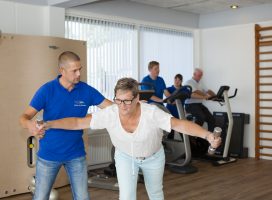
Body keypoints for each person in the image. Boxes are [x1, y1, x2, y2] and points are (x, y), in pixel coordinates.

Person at [42, 77, 221, 200]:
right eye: (118, 100)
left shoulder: (151, 113)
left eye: (127, 101)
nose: (122, 106)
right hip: (125, 157)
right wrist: (49, 124)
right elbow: (77, 123)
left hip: (153, 157)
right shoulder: (111, 113)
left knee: (155, 193)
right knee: (126, 196)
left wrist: (207, 135)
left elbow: (178, 124)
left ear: (137, 98)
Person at [19, 51, 112, 200]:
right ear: (62, 70)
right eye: (74, 70)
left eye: (80, 69)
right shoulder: (47, 90)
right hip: (49, 155)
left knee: (83, 197)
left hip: (76, 154)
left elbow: (111, 108)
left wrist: (133, 105)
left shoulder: (86, 90)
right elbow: (24, 117)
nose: (78, 74)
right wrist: (30, 125)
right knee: (40, 197)